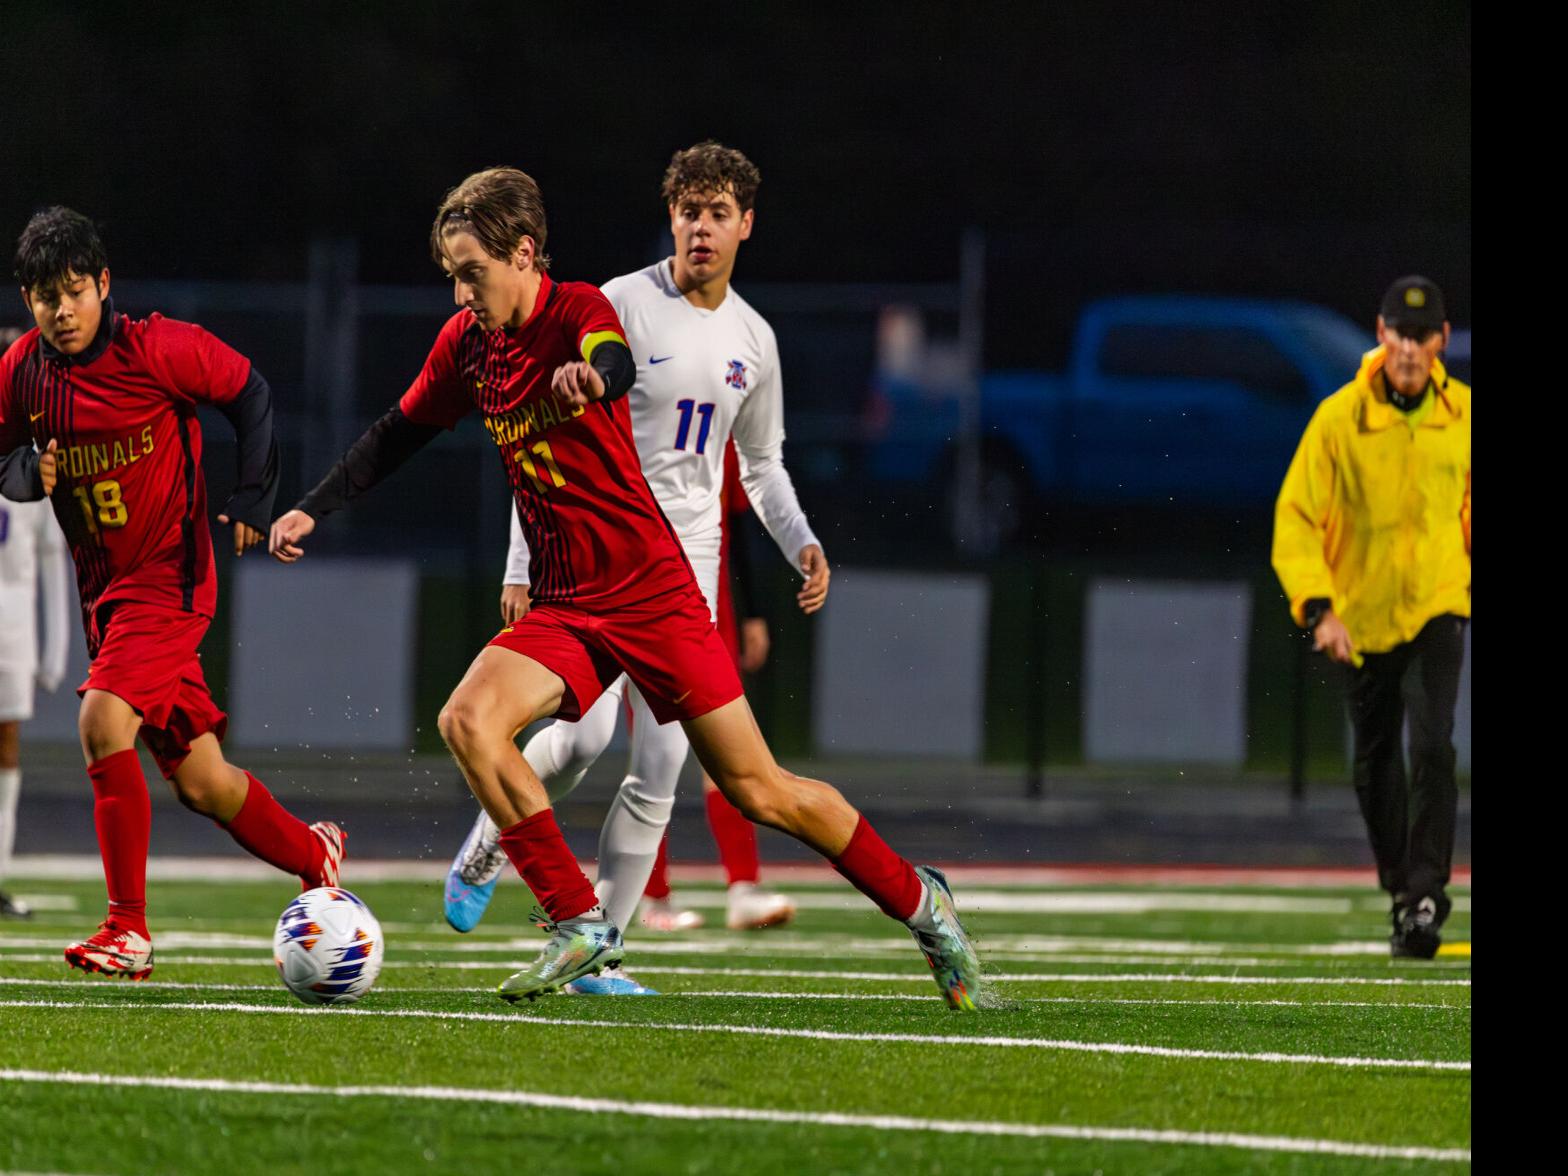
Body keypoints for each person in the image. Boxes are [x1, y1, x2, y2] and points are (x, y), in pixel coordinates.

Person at [270, 164, 982, 1009]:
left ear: (524, 253)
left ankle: (920, 903)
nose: (461, 293)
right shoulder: (468, 344)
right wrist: (315, 506)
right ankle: (578, 921)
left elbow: (612, 360)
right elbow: (399, 431)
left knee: (760, 791)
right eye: (453, 276)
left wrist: (595, 378)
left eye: (472, 273)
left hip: (653, 592)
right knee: (468, 719)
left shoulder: (579, 310)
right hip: (569, 603)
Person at [443, 145, 823, 957]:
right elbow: (532, 433)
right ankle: (489, 836)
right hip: (591, 558)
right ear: (672, 219)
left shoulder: (754, 337)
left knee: (658, 773)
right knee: (577, 742)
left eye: (719, 213)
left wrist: (802, 541)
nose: (701, 229)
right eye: (689, 211)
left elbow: (759, 464)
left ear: (746, 225)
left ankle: (596, 947)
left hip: (687, 573)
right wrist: (521, 564)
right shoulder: (618, 303)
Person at [0, 207, 345, 980]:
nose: (62, 310)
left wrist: (254, 493)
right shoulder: (22, 371)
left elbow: (250, 391)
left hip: (170, 581)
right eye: (44, 295)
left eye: (75, 290)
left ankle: (127, 929)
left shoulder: (158, 347)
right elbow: (3, 462)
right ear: (26, 300)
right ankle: (313, 852)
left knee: (100, 719)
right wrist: (24, 473)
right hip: (107, 600)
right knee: (203, 782)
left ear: (103, 285)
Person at [1272, 275, 1471, 960]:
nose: (1410, 349)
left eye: (1422, 336)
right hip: (1360, 618)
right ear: (1379, 334)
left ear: (1442, 340)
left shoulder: (1465, 415)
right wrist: (1319, 607)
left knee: (1435, 745)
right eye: (1398, 333)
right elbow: (1296, 515)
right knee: (1375, 762)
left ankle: (1425, 895)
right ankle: (1399, 889)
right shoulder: (1339, 418)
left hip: (1439, 606)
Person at [0, 489, 72, 918]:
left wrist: (54, 650)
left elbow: (51, 559)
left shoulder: (33, 471)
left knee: (6, 748)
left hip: (13, 629)